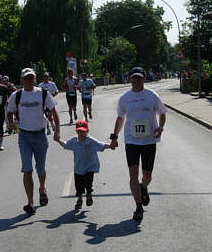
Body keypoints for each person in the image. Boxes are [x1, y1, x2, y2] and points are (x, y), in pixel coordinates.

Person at [110, 67, 167, 221]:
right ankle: (138, 207)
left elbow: (162, 113)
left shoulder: (152, 96)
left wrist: (160, 127)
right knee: (133, 173)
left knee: (147, 175)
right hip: (131, 140)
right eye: (134, 77)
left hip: (149, 140)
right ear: (130, 79)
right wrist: (114, 136)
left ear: (144, 78)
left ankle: (144, 186)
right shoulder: (124, 98)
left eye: (139, 77)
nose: (136, 80)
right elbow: (120, 118)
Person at [7, 68, 60, 215]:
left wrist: (57, 131)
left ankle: (42, 188)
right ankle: (30, 202)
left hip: (40, 135)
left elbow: (54, 111)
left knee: (40, 168)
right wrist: (11, 124)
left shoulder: (43, 93)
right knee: (27, 168)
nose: (29, 81)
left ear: (35, 79)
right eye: (26, 78)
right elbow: (9, 111)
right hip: (24, 136)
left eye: (31, 78)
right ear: (22, 80)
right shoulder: (16, 95)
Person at [55, 119, 113, 210]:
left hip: (90, 166)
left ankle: (89, 194)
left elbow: (101, 145)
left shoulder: (91, 141)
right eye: (79, 131)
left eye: (83, 131)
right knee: (79, 185)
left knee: (88, 182)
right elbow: (66, 145)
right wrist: (58, 140)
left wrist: (111, 145)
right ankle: (79, 199)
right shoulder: (74, 141)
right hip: (78, 168)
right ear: (76, 131)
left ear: (87, 131)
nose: (81, 133)